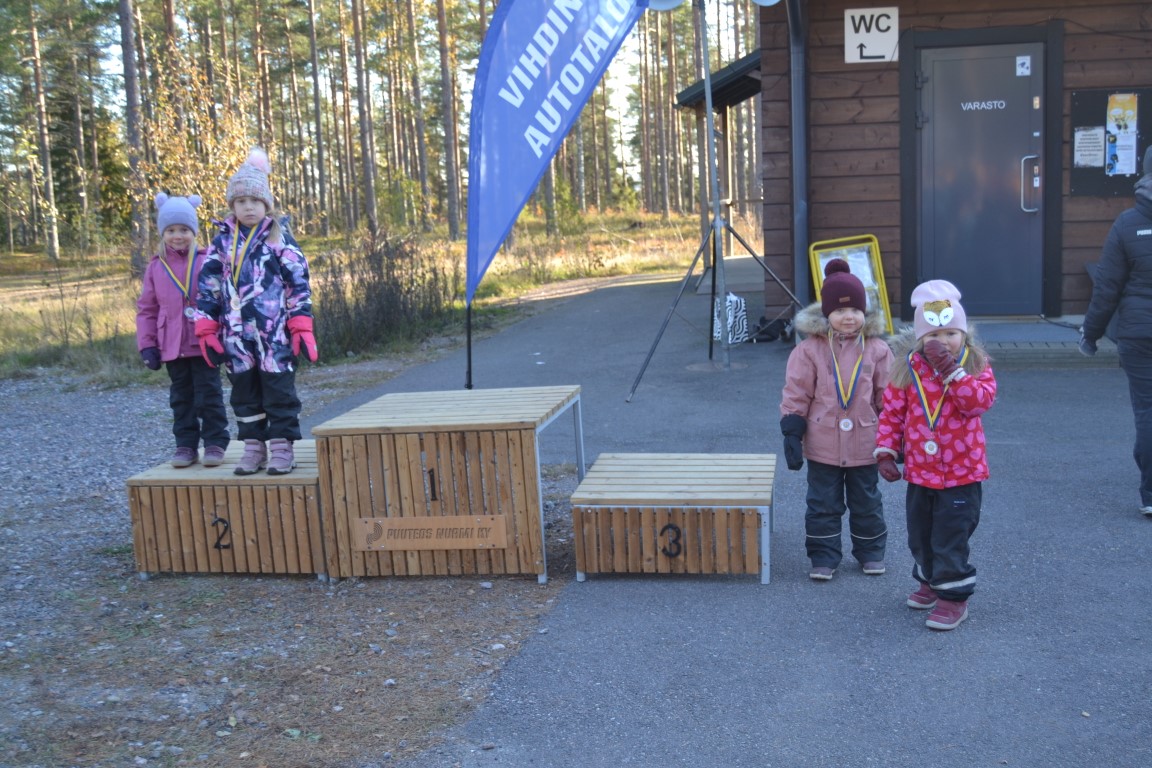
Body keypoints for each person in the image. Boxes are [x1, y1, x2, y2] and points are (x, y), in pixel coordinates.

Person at [875, 280, 996, 631]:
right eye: (934, 335)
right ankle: (930, 581)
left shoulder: (974, 365)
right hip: (921, 472)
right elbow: (892, 414)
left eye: (951, 333)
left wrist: (952, 372)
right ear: (920, 338)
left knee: (950, 537)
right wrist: (886, 452)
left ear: (964, 334)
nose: (943, 341)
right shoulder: (908, 368)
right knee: (921, 534)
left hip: (962, 475)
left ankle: (954, 599)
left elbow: (978, 403)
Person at [194, 148, 318, 476]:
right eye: (241, 201)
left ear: (267, 205)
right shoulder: (221, 244)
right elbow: (208, 287)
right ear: (232, 206)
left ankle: (282, 448)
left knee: (278, 392)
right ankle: (253, 447)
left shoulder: (280, 241)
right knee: (245, 395)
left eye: (254, 201)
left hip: (274, 337)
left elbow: (299, 284)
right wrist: (206, 326)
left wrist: (301, 324)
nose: (248, 207)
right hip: (236, 338)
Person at [780, 258, 894, 581]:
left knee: (867, 501)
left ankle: (871, 552)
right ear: (827, 313)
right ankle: (823, 556)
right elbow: (797, 392)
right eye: (841, 310)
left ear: (864, 312)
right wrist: (792, 431)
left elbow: (888, 398)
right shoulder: (809, 351)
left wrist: (895, 438)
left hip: (865, 444)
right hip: (823, 444)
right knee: (823, 503)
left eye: (855, 309)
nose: (849, 316)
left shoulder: (878, 350)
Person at [1080, 145, 1152, 518]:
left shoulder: (1127, 223)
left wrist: (1090, 334)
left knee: (1147, 408)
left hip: (1139, 333)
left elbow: (1107, 287)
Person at [136, 193, 230, 468]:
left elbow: (221, 299)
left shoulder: (207, 259)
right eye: (171, 230)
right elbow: (147, 309)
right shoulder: (156, 266)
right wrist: (147, 344)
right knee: (181, 398)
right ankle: (185, 446)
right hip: (172, 344)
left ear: (194, 232)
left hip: (204, 342)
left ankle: (214, 443)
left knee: (209, 395)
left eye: (184, 230)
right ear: (163, 233)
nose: (178, 236)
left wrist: (224, 335)